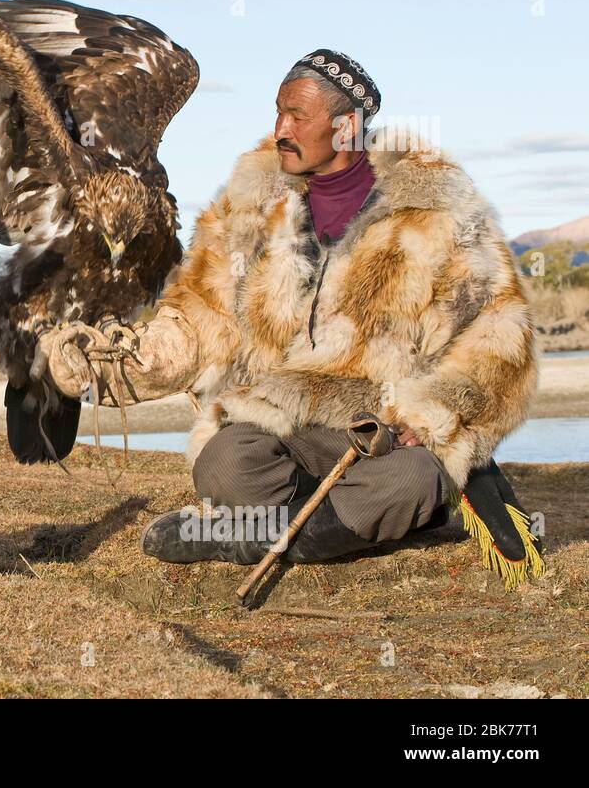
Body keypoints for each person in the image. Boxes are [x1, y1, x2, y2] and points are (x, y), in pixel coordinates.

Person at [40, 50, 544, 584]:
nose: (280, 129)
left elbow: (498, 338)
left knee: (411, 480)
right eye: (277, 112)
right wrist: (117, 365)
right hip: (285, 416)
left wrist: (431, 415)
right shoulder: (251, 209)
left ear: (346, 126)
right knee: (223, 465)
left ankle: (256, 538)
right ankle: (369, 523)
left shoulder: (437, 215)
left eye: (297, 116)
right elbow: (198, 317)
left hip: (388, 429)